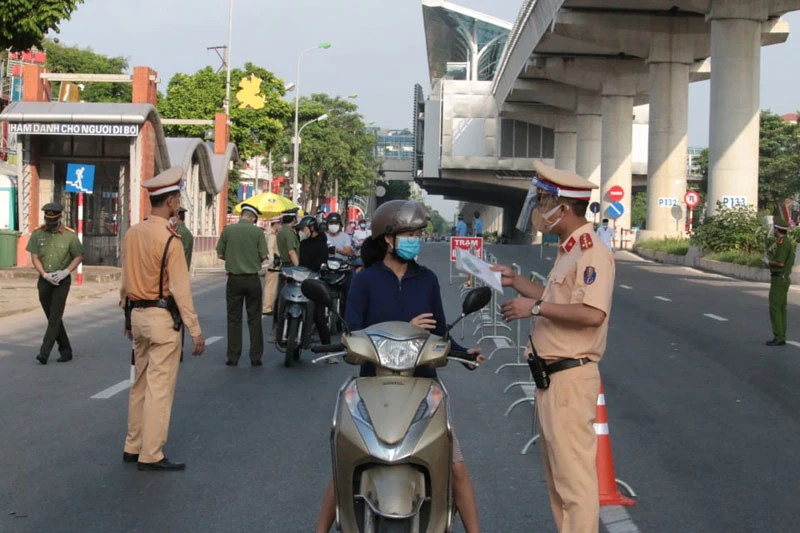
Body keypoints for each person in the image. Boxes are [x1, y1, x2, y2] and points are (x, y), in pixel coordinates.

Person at [315, 200, 483, 533]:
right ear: (388, 239)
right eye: (409, 233)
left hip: (422, 384)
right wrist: (405, 325)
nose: (415, 239)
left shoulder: (428, 280)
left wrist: (463, 354)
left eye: (418, 233)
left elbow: (439, 332)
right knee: (346, 461)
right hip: (373, 384)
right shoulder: (364, 281)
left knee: (457, 467)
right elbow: (352, 329)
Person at [492, 160, 614, 533]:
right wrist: (517, 284)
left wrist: (537, 307)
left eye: (543, 202)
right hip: (551, 378)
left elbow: (592, 313)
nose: (539, 211)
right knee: (558, 481)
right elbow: (552, 296)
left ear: (563, 207)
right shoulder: (570, 249)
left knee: (574, 482)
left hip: (569, 377)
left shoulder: (592, 251)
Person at [120, 167, 205, 471]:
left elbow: (126, 278)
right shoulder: (172, 240)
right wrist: (195, 331)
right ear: (170, 202)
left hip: (138, 315)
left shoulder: (133, 232)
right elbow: (181, 290)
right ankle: (151, 453)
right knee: (160, 388)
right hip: (162, 319)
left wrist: (127, 317)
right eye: (177, 198)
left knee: (139, 383)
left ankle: (132, 445)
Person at [26, 202, 84, 365]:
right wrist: (43, 274)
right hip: (44, 280)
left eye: (53, 221)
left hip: (62, 280)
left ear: (59, 218)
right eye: (48, 220)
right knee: (52, 317)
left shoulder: (69, 236)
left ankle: (44, 352)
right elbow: (35, 256)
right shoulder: (38, 234)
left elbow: (78, 256)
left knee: (54, 317)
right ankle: (66, 350)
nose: (50, 224)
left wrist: (66, 272)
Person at [216, 203, 269, 366]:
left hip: (234, 279)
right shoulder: (257, 232)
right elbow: (263, 256)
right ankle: (256, 357)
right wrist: (251, 261)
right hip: (252, 279)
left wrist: (234, 260)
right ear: (252, 218)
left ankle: (233, 356)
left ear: (242, 216)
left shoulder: (228, 231)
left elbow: (220, 254)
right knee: (254, 318)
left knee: (234, 318)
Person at [295, 215, 333, 359]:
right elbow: (301, 263)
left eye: (303, 229)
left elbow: (322, 263)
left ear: (312, 228)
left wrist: (321, 269)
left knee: (319, 317)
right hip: (301, 279)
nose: (302, 232)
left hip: (316, 281)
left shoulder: (322, 243)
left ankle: (328, 351)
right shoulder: (303, 243)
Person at [764, 217, 795, 346]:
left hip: (779, 278)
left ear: (777, 229)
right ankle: (781, 335)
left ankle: (778, 336)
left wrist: (768, 262)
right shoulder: (787, 242)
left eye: (774, 228)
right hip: (784, 278)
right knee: (782, 308)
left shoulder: (782, 243)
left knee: (775, 308)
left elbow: (780, 262)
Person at [271, 208, 301, 340]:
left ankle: (278, 327)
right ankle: (280, 328)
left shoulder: (282, 231)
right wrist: (298, 269)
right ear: (294, 219)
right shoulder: (288, 233)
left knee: (281, 297)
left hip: (285, 266)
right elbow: (291, 252)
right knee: (288, 297)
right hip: (290, 267)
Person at [262, 217, 281, 315]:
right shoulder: (272, 235)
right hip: (272, 264)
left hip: (271, 263)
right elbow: (270, 248)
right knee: (271, 287)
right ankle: (267, 307)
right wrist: (272, 260)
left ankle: (268, 306)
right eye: (279, 224)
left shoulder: (271, 233)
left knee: (271, 286)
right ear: (275, 224)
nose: (280, 226)